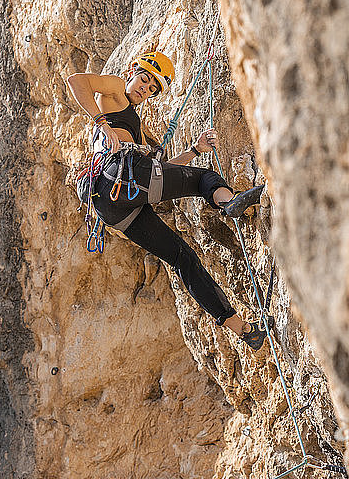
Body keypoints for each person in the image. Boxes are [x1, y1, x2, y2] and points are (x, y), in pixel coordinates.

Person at [66, 51, 267, 350]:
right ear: (132, 70)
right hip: (121, 176)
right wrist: (102, 123)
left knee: (182, 257)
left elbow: (164, 174)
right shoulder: (116, 91)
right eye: (143, 80)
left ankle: (244, 330)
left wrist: (195, 150)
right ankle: (229, 203)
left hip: (114, 206)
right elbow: (77, 81)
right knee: (202, 179)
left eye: (150, 89)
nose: (143, 89)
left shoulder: (137, 131)